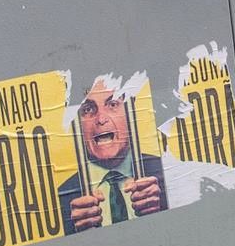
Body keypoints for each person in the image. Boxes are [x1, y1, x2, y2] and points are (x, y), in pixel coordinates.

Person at [61, 76, 167, 232]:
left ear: (129, 112)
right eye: (87, 109)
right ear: (75, 122)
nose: (101, 119)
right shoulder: (61, 198)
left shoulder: (167, 172)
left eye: (112, 104)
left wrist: (163, 206)